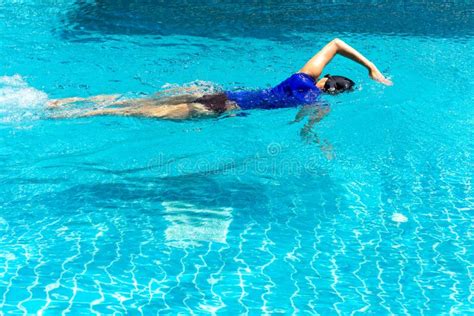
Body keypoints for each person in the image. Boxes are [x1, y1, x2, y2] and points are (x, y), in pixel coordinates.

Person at [48, 38, 392, 119]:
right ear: (331, 93)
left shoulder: (303, 79)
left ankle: (66, 103)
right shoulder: (314, 101)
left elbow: (335, 43)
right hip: (220, 110)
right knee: (127, 112)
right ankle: (75, 114)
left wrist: (371, 68)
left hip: (217, 92)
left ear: (325, 77)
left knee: (134, 99)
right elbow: (307, 127)